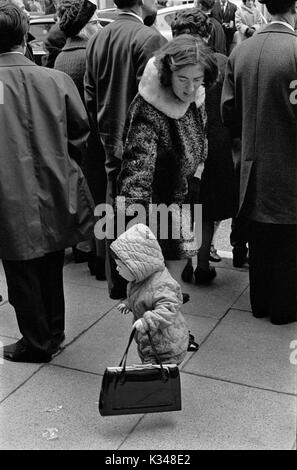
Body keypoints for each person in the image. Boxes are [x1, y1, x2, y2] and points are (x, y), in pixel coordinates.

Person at [0, 1, 95, 362]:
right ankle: (53, 331)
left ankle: (37, 341)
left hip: (10, 190)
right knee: (51, 263)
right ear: (25, 37)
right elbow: (80, 133)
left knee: (21, 269)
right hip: (55, 184)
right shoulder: (56, 79)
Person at [117, 35, 217, 292]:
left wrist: (196, 174)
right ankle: (152, 330)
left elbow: (201, 136)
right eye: (183, 79)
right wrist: (134, 227)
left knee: (174, 275)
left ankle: (169, 326)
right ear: (167, 74)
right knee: (152, 285)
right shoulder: (149, 106)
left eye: (197, 80)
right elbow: (136, 172)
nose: (191, 88)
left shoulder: (196, 97)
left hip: (182, 197)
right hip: (154, 206)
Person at [84, 0, 167, 300]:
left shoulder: (97, 39)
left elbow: (90, 95)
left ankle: (119, 283)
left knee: (116, 212)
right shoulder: (148, 38)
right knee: (148, 223)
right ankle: (146, 293)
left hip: (110, 140)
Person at [221, 0, 297, 325]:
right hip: (290, 167)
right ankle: (284, 308)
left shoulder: (241, 52)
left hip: (251, 167)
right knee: (289, 243)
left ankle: (260, 302)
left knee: (260, 240)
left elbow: (227, 111)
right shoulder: (294, 51)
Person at [171, 10, 236, 284]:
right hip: (216, 140)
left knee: (186, 204)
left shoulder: (171, 63)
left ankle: (185, 262)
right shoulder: (221, 61)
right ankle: (204, 264)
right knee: (207, 207)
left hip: (182, 141)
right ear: (207, 34)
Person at [55, 0, 106, 279]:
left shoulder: (61, 57)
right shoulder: (92, 54)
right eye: (96, 22)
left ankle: (84, 247)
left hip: (73, 139)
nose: (100, 27)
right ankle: (99, 257)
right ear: (85, 28)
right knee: (100, 198)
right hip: (95, 137)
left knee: (83, 194)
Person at [111, 224, 192, 364]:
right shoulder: (140, 279)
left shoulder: (162, 284)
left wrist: (147, 320)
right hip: (151, 341)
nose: (117, 270)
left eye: (120, 266)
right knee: (153, 375)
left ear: (138, 265)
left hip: (166, 344)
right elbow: (142, 296)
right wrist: (129, 303)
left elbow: (169, 308)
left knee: (160, 376)